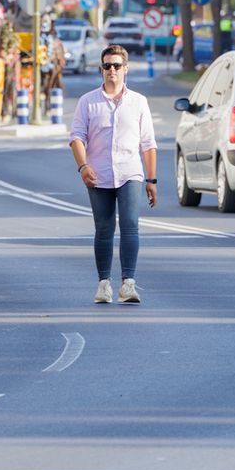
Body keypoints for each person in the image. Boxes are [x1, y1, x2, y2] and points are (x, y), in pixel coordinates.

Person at [68, 45, 158, 305]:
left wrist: (151, 180)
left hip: (130, 172)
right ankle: (104, 284)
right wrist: (83, 166)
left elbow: (148, 143)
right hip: (98, 174)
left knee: (130, 226)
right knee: (104, 228)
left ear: (125, 69)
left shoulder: (139, 102)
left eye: (117, 66)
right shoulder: (88, 102)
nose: (112, 71)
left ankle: (128, 284)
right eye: (107, 66)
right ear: (101, 69)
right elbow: (76, 137)